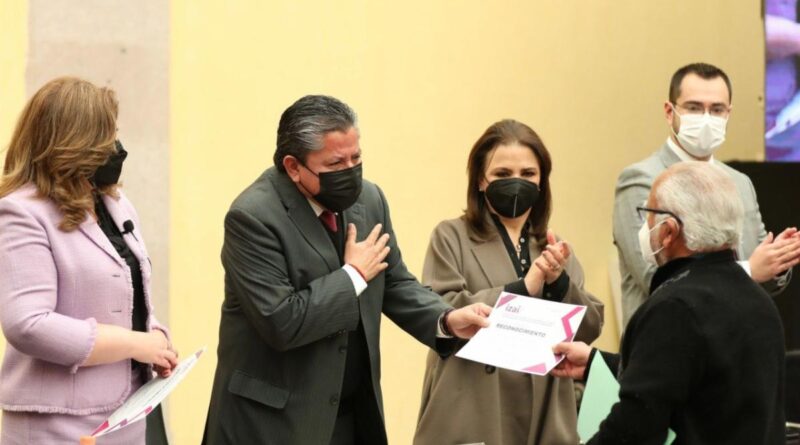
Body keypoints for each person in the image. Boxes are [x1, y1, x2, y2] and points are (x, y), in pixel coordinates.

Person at [201, 95, 492, 445]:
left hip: (351, 418)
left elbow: (394, 281)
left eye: (356, 158)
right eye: (336, 163)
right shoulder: (253, 217)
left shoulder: (369, 199)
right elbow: (281, 322)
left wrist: (445, 319)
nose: (350, 172)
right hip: (272, 424)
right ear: (293, 167)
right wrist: (352, 276)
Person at [555, 161, 786, 444]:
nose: (645, 227)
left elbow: (636, 425)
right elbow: (692, 376)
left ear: (668, 231)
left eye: (648, 214)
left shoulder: (675, 308)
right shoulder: (757, 298)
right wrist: (595, 362)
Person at [0, 77, 177, 444]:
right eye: (107, 136)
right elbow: (28, 324)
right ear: (76, 144)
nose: (116, 147)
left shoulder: (114, 204)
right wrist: (135, 343)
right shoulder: (20, 212)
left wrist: (156, 336)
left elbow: (126, 292)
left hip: (128, 414)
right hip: (58, 426)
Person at [412, 119, 604, 445]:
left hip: (545, 411)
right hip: (473, 403)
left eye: (528, 174)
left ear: (541, 181)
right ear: (480, 180)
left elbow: (588, 328)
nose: (517, 182)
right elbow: (442, 311)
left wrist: (558, 283)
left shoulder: (554, 248)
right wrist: (523, 288)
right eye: (503, 174)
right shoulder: (451, 236)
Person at [613, 62, 800, 327]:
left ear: (728, 113)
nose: (706, 119)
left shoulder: (739, 183)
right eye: (693, 108)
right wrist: (748, 270)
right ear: (669, 112)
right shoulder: (641, 179)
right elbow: (654, 278)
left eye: (717, 110)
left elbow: (761, 280)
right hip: (667, 339)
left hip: (736, 340)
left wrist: (777, 260)